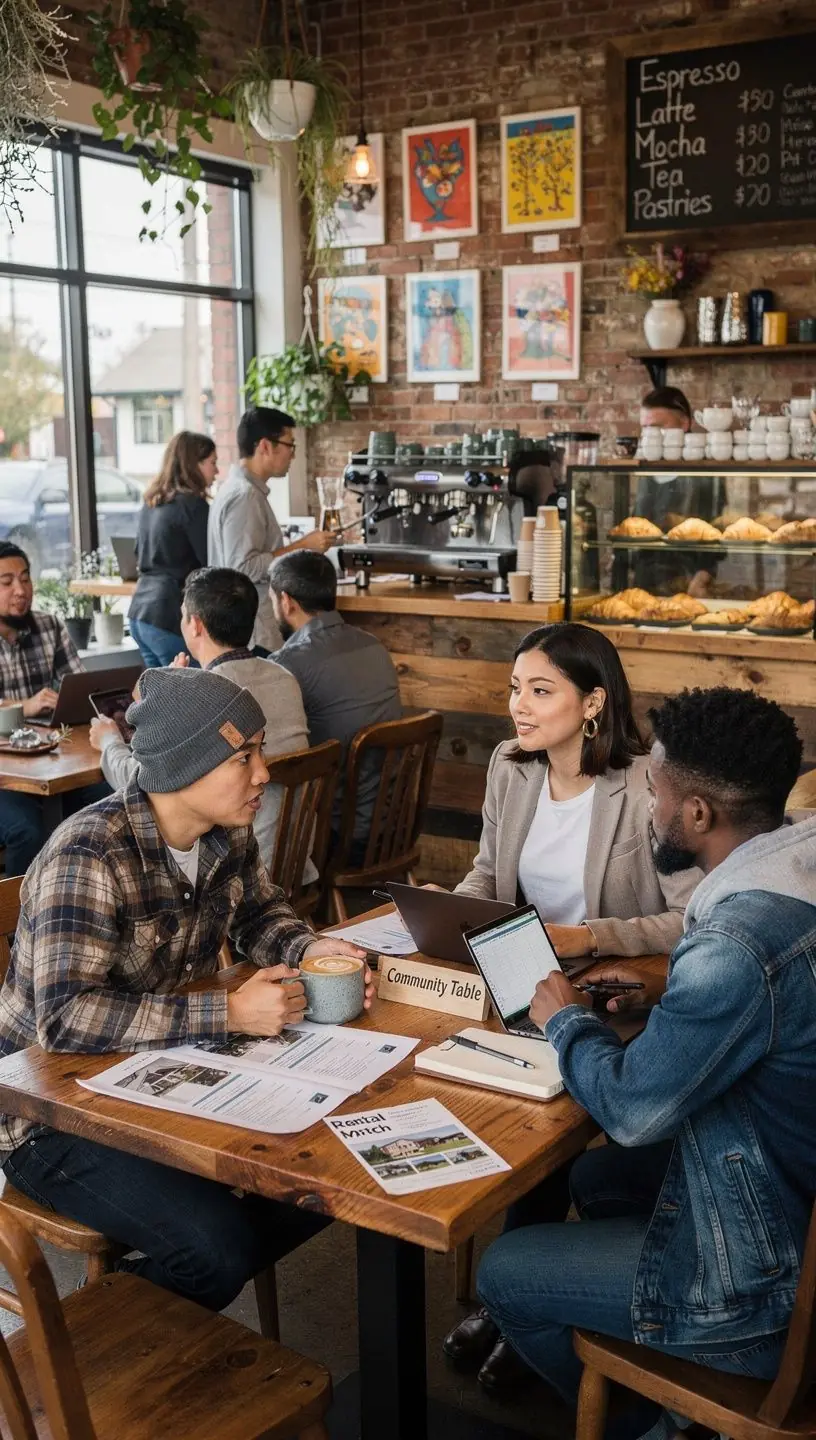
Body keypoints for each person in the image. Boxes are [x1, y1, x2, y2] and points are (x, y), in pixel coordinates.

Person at [476, 687, 815, 1440]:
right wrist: (663, 994)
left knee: (502, 1272)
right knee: (595, 1180)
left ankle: (648, 1420)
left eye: (655, 794)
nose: (648, 809)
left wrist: (564, 1018)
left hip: (772, 1282)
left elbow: (631, 1112)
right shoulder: (795, 871)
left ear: (697, 814)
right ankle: (664, 1382)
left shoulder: (736, 944)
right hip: (780, 1180)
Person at [0, 666, 371, 1311]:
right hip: (46, 1116)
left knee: (334, 1180)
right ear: (183, 767)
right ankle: (90, 1341)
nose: (264, 773)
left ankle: (153, 1294)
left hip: (157, 1075)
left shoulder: (225, 830)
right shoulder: (87, 853)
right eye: (243, 756)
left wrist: (308, 948)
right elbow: (65, 1018)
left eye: (260, 751)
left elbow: (259, 913)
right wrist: (227, 1012)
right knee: (215, 1249)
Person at [444, 622, 700, 1392]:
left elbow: (688, 915)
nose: (518, 706)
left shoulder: (644, 782)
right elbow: (486, 876)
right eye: (514, 689)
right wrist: (445, 910)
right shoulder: (509, 766)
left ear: (593, 703)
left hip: (612, 995)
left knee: (546, 1122)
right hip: (516, 982)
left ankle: (515, 1306)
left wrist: (587, 935)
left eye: (539, 690)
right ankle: (515, 1304)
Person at [91, 567, 310, 873]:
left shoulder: (210, 702)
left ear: (194, 624)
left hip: (236, 865)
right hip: (298, 856)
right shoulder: (284, 677)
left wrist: (109, 742)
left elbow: (144, 785)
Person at [268, 551, 401, 863]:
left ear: (286, 601)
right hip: (393, 824)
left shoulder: (288, 665)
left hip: (338, 834)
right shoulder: (373, 645)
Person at [0, 540, 108, 876]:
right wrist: (26, 705)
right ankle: (23, 911)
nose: (21, 590)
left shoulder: (49, 626)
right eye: (6, 582)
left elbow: (82, 689)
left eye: (25, 578)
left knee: (112, 800)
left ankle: (88, 895)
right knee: (26, 830)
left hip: (51, 764)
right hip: (4, 780)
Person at [208, 407, 335, 655]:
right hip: (254, 635)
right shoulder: (245, 496)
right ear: (265, 446)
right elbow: (243, 568)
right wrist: (304, 546)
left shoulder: (239, 490)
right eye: (290, 445)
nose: (293, 454)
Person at [128, 430, 216, 667]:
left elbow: (137, 553)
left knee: (161, 689)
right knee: (195, 687)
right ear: (194, 465)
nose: (217, 471)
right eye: (212, 463)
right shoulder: (194, 506)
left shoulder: (152, 502)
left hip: (140, 614)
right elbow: (209, 565)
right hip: (170, 615)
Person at [632, 387, 725, 598]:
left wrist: (702, 577)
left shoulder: (706, 473)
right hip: (644, 581)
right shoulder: (645, 469)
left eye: (658, 427)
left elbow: (716, 532)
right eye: (645, 428)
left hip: (688, 581)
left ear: (684, 424)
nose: (650, 435)